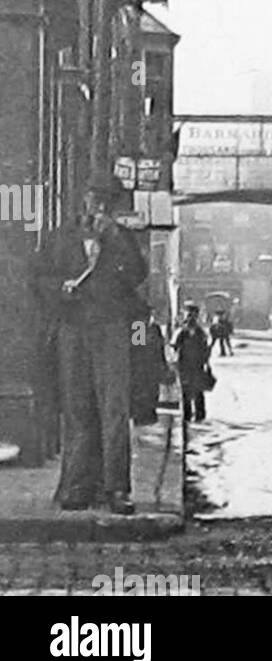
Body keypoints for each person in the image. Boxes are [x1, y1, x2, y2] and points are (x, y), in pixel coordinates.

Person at [35, 177, 147, 514]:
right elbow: (38, 278)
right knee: (77, 408)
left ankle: (116, 490)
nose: (97, 206)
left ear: (111, 206)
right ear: (82, 200)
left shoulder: (121, 239)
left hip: (111, 330)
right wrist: (60, 287)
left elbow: (136, 276)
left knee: (114, 410)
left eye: (104, 201)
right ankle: (76, 486)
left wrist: (114, 237)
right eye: (92, 198)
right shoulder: (61, 238)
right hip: (73, 329)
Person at [173, 303, 212, 423]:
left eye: (194, 316)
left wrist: (205, 360)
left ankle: (200, 414)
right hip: (184, 365)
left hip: (197, 365)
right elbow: (175, 346)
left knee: (198, 390)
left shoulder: (201, 333)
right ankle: (187, 414)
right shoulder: (182, 332)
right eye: (189, 315)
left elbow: (205, 348)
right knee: (185, 390)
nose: (191, 318)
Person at [130, 307, 169, 427]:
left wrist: (163, 364)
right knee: (143, 391)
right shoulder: (139, 327)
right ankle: (142, 416)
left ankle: (149, 413)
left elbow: (160, 347)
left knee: (152, 391)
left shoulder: (154, 328)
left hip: (153, 366)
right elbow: (138, 350)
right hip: (143, 367)